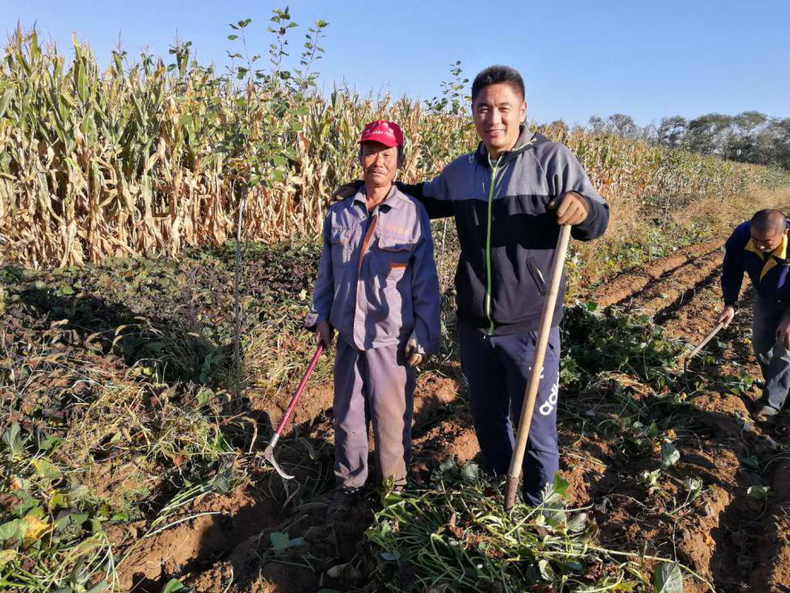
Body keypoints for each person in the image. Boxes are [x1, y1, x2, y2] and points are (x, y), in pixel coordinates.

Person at [336, 65, 609, 505]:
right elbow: (421, 197)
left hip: (529, 324)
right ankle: (503, 493)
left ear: (522, 110)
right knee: (485, 419)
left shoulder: (552, 160)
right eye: (483, 108)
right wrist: (373, 184)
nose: (493, 118)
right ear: (473, 113)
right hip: (475, 324)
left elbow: (596, 216)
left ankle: (541, 508)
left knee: (534, 426)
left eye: (503, 108)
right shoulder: (463, 170)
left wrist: (582, 208)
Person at [306, 120, 441, 515]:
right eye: (371, 151)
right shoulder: (339, 214)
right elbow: (326, 272)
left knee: (390, 420)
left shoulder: (413, 215)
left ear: (398, 160)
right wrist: (321, 317)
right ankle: (348, 488)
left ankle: (392, 496)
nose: (377, 161)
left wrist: (424, 334)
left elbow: (425, 284)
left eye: (387, 153)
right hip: (348, 336)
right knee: (347, 418)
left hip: (391, 340)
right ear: (361, 156)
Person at [718, 208, 790, 423]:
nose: (759, 245)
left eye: (767, 242)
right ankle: (778, 386)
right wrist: (730, 303)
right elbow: (731, 269)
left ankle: (772, 403)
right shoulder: (741, 236)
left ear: (784, 233)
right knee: (760, 344)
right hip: (767, 294)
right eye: (755, 239)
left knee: (785, 346)